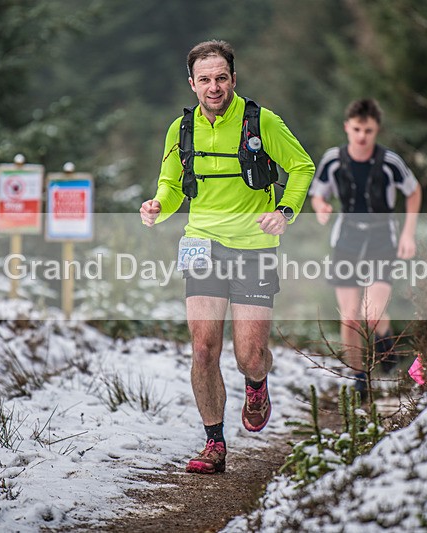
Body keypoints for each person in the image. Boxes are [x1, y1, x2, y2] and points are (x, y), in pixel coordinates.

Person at [140, 40, 314, 474]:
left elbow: (302, 167)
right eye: (205, 80)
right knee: (203, 350)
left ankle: (257, 383)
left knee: (248, 355)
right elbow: (171, 183)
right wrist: (158, 205)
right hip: (201, 242)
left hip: (254, 246)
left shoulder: (261, 122)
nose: (213, 87)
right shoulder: (180, 129)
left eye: (221, 78)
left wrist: (285, 211)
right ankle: (213, 444)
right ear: (192, 84)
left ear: (233, 79)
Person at [309, 98, 421, 400]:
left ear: (376, 130)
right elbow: (318, 193)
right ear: (347, 127)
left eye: (368, 130)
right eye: (357, 129)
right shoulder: (333, 159)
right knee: (349, 317)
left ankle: (384, 343)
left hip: (382, 238)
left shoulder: (390, 162)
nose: (362, 136)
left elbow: (413, 191)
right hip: (345, 239)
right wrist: (321, 207)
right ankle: (359, 379)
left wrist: (408, 233)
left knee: (372, 314)